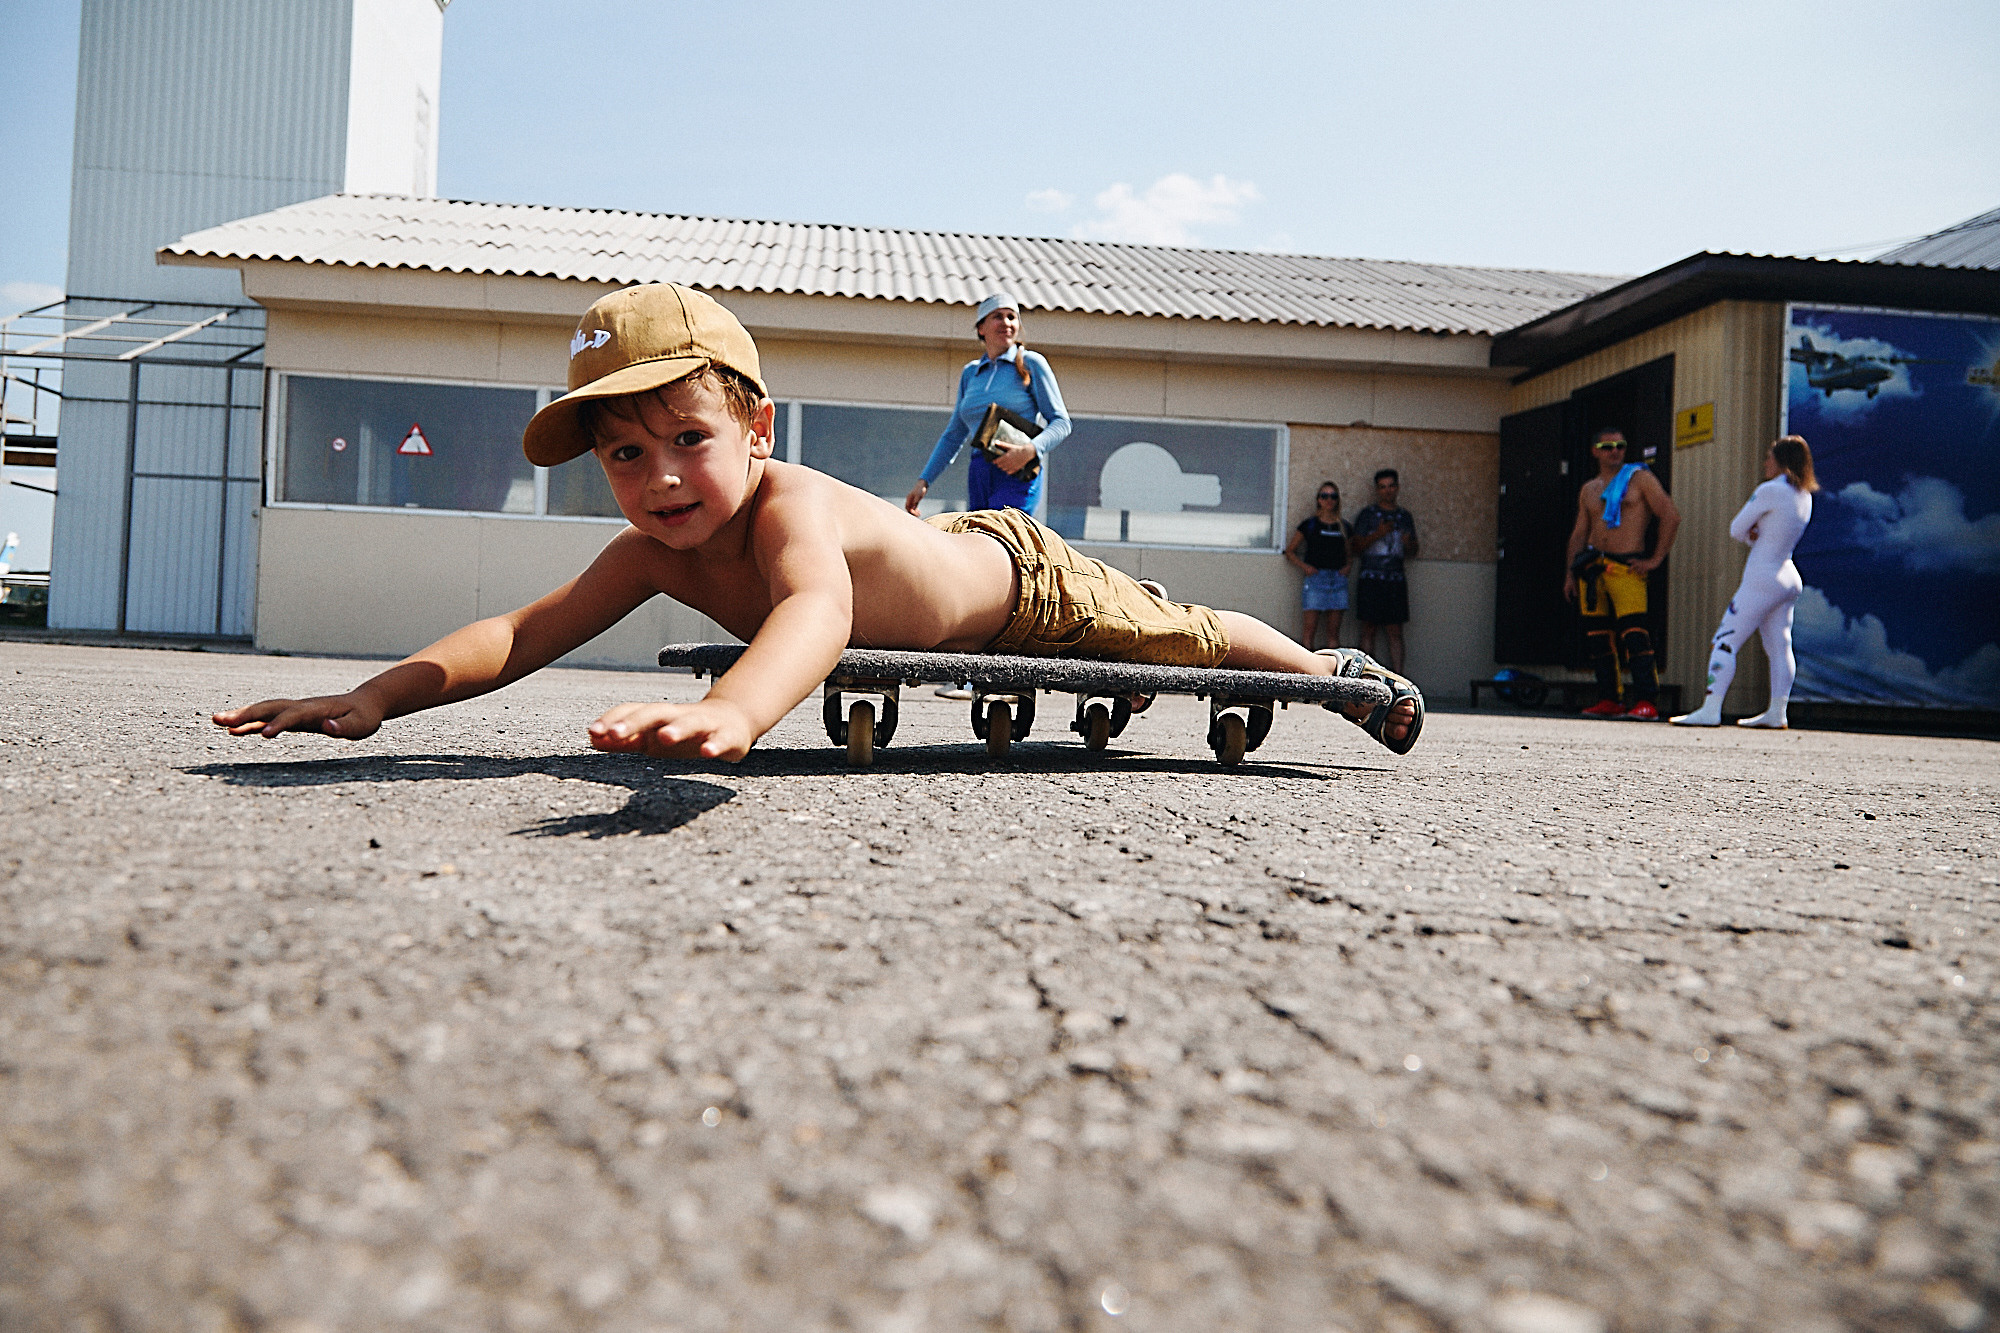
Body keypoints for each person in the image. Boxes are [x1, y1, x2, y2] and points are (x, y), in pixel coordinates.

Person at [214, 284, 1423, 760]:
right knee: (1158, 631)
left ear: (756, 429)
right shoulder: (648, 550)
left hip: (1018, 578)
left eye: (688, 439)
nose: (660, 478)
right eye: (625, 454)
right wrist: (375, 696)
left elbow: (817, 609)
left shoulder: (788, 505)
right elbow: (522, 633)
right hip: (954, 560)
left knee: (1183, 633)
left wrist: (737, 709)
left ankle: (1334, 673)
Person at [1672, 436, 1817, 729]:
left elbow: (1736, 528)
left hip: (1762, 576)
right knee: (1780, 647)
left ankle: (1710, 709)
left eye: (1769, 457)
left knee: (1725, 640)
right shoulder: (1804, 495)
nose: (1765, 463)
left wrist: (1753, 533)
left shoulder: (1769, 490)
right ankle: (1777, 712)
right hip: (1788, 574)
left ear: (1780, 460)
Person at [904, 292, 1070, 520]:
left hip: (1017, 472)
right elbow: (953, 435)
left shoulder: (1031, 363)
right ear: (981, 328)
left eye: (1012, 317)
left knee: (998, 532)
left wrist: (1030, 450)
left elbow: (1061, 423)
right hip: (980, 471)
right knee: (977, 532)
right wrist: (924, 481)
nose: (1006, 323)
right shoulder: (971, 373)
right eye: (997, 317)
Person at [1563, 428, 1681, 720]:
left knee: (1635, 635)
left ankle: (1646, 701)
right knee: (1598, 638)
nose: (1614, 451)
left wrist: (1655, 559)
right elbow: (1579, 533)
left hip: (1626, 567)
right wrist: (1569, 574)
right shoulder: (1589, 489)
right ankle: (1609, 698)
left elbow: (1670, 515)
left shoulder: (1640, 479)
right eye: (1608, 446)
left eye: (1620, 445)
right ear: (1595, 451)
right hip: (1593, 569)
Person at [1350, 469, 1417, 673]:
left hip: (1395, 580)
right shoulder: (1367, 514)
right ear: (1377, 490)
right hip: (1370, 579)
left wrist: (1407, 543)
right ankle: (1364, 677)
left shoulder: (1405, 516)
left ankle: (1399, 678)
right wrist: (1378, 534)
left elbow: (1414, 551)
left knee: (1395, 631)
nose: (1387, 490)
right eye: (1383, 487)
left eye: (1391, 486)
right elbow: (1356, 547)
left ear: (1397, 487)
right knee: (1368, 628)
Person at [1284, 481, 1352, 649]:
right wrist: (1305, 567)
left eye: (1333, 496)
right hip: (1315, 579)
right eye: (1324, 496)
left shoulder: (1344, 526)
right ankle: (1306, 665)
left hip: (1337, 580)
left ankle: (1333, 665)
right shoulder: (1310, 525)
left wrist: (1348, 566)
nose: (1329, 500)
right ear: (1318, 499)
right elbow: (1290, 551)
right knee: (1309, 630)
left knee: (1333, 633)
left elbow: (1350, 552)